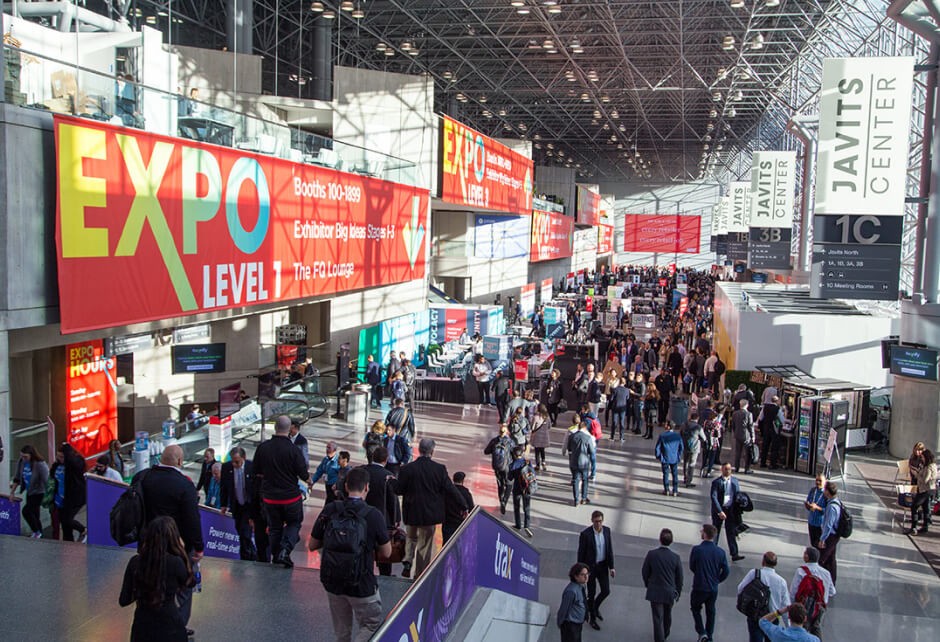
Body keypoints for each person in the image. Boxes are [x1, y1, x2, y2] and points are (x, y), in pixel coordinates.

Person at [309, 467, 391, 642]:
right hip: (362, 584)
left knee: (342, 633)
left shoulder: (331, 509)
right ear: (367, 487)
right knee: (372, 626)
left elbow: (312, 544)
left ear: (346, 486)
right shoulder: (373, 515)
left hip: (333, 583)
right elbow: (387, 552)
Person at [134, 444, 203, 632]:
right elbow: (192, 519)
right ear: (180, 461)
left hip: (147, 543)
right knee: (184, 586)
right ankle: (178, 625)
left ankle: (151, 622)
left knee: (150, 582)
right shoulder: (184, 485)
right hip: (176, 545)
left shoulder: (143, 478)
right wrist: (198, 546)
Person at [394, 438, 467, 579]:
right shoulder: (439, 469)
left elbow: (398, 490)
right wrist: (463, 505)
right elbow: (451, 489)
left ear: (419, 450)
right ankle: (419, 576)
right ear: (432, 451)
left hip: (411, 513)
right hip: (429, 515)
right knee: (425, 546)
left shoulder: (407, 469)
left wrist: (391, 481)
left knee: (411, 537)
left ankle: (408, 560)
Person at [119, 516, 196, 642]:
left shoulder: (135, 562)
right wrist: (182, 552)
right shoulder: (176, 562)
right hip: (170, 626)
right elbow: (190, 582)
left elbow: (124, 600)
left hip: (142, 627)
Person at [253, 415, 312, 568]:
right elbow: (303, 473)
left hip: (270, 497)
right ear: (289, 429)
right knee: (294, 523)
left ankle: (276, 555)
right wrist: (309, 480)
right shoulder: (293, 449)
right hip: (290, 497)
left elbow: (256, 471)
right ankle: (285, 551)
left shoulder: (263, 447)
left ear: (275, 427)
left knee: (274, 527)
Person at [360, 446, 400, 576]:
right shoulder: (387, 476)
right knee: (383, 546)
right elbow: (392, 501)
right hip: (382, 518)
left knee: (364, 545)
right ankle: (385, 574)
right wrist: (396, 519)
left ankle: (365, 570)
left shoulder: (362, 471)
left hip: (362, 516)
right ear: (386, 459)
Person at [736, 551, 791, 642]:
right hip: (773, 617)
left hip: (755, 614)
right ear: (775, 564)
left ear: (763, 562)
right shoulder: (781, 581)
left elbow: (740, 588)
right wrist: (788, 626)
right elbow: (786, 604)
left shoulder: (754, 573)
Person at [689, 523, 730, 642]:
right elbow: (726, 570)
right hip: (713, 587)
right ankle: (709, 635)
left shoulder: (697, 550)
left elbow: (692, 566)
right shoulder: (720, 552)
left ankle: (701, 632)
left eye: (702, 531)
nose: (701, 533)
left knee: (695, 608)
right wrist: (717, 580)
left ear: (705, 534)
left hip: (699, 586)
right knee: (711, 611)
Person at [642, 528, 683, 642]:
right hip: (669, 591)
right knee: (667, 615)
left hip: (655, 590)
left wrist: (648, 584)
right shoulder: (675, 557)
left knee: (657, 618)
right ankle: (665, 634)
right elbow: (679, 577)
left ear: (660, 540)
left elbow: (645, 572)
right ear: (671, 541)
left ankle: (660, 639)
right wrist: (678, 591)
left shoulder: (652, 554)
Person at [577, 510, 616, 630]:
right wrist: (581, 571)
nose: (598, 524)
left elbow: (609, 550)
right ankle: (592, 618)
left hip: (603, 566)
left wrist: (612, 567)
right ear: (592, 521)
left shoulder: (607, 531)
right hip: (591, 568)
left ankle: (594, 607)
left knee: (606, 590)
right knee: (592, 593)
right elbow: (581, 553)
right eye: (596, 521)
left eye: (600, 521)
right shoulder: (586, 535)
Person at [219, 446, 259, 561]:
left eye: (237, 462)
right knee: (240, 531)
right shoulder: (227, 468)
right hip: (236, 505)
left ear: (244, 458)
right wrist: (223, 504)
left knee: (245, 532)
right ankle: (248, 554)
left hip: (249, 505)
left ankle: (249, 554)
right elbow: (224, 487)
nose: (234, 464)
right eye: (233, 461)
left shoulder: (252, 467)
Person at [789, 547, 836, 638]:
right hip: (820, 606)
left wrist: (792, 606)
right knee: (816, 627)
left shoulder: (801, 571)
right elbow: (832, 591)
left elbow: (793, 591)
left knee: (802, 629)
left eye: (804, 553)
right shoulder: (826, 573)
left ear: (807, 556)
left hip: (803, 606)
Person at [10, 444, 49, 538]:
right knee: (35, 515)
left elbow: (46, 481)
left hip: (39, 492)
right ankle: (39, 534)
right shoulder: (21, 462)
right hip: (29, 491)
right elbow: (17, 478)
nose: (24, 458)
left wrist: (49, 496)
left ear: (31, 455)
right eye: (22, 456)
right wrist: (12, 492)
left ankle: (37, 532)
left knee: (26, 511)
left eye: (26, 457)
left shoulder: (40, 464)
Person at [710, 462, 744, 561]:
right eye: (725, 469)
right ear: (722, 470)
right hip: (720, 510)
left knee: (731, 532)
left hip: (730, 510)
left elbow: (737, 495)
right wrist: (719, 511)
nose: (728, 471)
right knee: (715, 531)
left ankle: (734, 553)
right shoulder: (716, 482)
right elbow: (714, 497)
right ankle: (712, 551)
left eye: (729, 469)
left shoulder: (734, 481)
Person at [483, 424, 514, 514]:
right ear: (507, 432)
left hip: (497, 466)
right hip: (507, 466)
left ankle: (501, 499)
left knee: (500, 484)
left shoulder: (494, 441)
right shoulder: (510, 442)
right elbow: (514, 452)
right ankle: (505, 500)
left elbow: (486, 451)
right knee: (509, 483)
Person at [564, 421, 596, 507]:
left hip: (574, 461)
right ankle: (584, 498)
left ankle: (576, 500)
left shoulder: (572, 436)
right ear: (585, 428)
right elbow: (592, 451)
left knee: (575, 480)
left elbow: (569, 448)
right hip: (584, 462)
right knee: (585, 479)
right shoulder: (588, 437)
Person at [557, 563, 590, 642]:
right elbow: (563, 610)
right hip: (571, 626)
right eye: (582, 574)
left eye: (587, 574)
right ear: (575, 576)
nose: (586, 577)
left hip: (578, 624)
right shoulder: (571, 591)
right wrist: (561, 624)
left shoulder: (581, 586)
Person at [817, 481, 842, 584]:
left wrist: (822, 539)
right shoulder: (836, 502)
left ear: (828, 492)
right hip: (834, 535)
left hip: (830, 536)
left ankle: (819, 581)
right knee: (831, 559)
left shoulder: (831, 506)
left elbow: (828, 525)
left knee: (822, 559)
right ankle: (832, 581)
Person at [909, 448, 937, 535]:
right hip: (931, 489)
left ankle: (914, 527)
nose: (922, 459)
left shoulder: (929, 467)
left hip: (925, 490)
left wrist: (916, 475)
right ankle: (925, 526)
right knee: (925, 507)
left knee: (914, 506)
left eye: (923, 457)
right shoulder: (933, 465)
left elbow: (925, 479)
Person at [443, 471, 474, 543]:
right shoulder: (466, 493)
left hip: (447, 521)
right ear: (462, 480)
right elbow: (471, 508)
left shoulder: (447, 491)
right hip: (460, 522)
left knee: (446, 543)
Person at [655, 421, 685, 496]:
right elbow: (681, 447)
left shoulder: (662, 436)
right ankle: (675, 490)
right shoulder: (677, 436)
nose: (664, 425)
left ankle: (666, 489)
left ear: (668, 426)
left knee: (666, 474)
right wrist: (678, 456)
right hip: (674, 458)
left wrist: (658, 456)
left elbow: (657, 447)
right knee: (675, 474)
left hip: (665, 457)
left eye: (666, 424)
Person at [757, 396, 785, 469]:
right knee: (774, 447)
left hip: (766, 429)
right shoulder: (778, 409)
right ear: (777, 401)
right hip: (774, 429)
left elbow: (760, 418)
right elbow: (782, 420)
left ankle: (763, 462)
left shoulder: (765, 407)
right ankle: (773, 463)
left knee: (765, 445)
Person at [731, 398, 755, 474]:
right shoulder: (749, 414)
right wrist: (753, 436)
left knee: (738, 452)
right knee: (747, 452)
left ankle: (736, 467)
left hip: (737, 434)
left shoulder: (735, 413)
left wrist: (735, 432)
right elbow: (750, 426)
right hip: (746, 435)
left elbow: (733, 425)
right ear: (747, 405)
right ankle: (746, 468)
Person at [681, 414, 705, 488]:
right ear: (697, 419)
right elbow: (704, 438)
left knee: (686, 462)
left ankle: (685, 477)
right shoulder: (698, 427)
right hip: (694, 448)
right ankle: (689, 480)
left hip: (685, 446)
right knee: (692, 464)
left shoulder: (684, 425)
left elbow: (681, 433)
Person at [804, 474, 827, 548]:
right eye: (816, 480)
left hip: (820, 524)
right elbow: (808, 501)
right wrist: (808, 505)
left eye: (820, 480)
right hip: (811, 522)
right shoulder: (813, 490)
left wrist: (817, 507)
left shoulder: (826, 494)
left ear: (825, 482)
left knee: (820, 545)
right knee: (813, 543)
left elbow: (827, 511)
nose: (817, 482)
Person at [529, 404, 551, 471]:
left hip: (537, 436)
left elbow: (532, 427)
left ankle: (537, 465)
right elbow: (549, 426)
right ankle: (543, 462)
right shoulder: (547, 417)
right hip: (545, 435)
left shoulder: (535, 417)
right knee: (542, 450)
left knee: (537, 451)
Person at [609, 375, 630, 441]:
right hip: (623, 408)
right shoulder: (627, 390)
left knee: (614, 422)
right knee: (622, 422)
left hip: (615, 407)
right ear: (625, 383)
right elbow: (627, 398)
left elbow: (611, 399)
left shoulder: (615, 389)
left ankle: (612, 436)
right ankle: (621, 437)